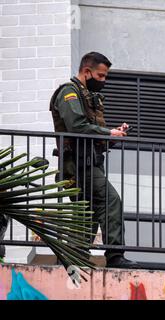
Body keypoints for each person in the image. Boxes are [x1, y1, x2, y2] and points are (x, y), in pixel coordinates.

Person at [49, 52, 141, 269]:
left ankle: (72, 258)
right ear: (87, 71)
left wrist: (113, 134)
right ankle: (115, 256)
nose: (103, 80)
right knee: (110, 201)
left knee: (86, 214)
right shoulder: (69, 93)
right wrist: (108, 133)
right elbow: (77, 127)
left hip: (88, 162)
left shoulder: (87, 96)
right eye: (100, 76)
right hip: (78, 165)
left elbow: (93, 134)